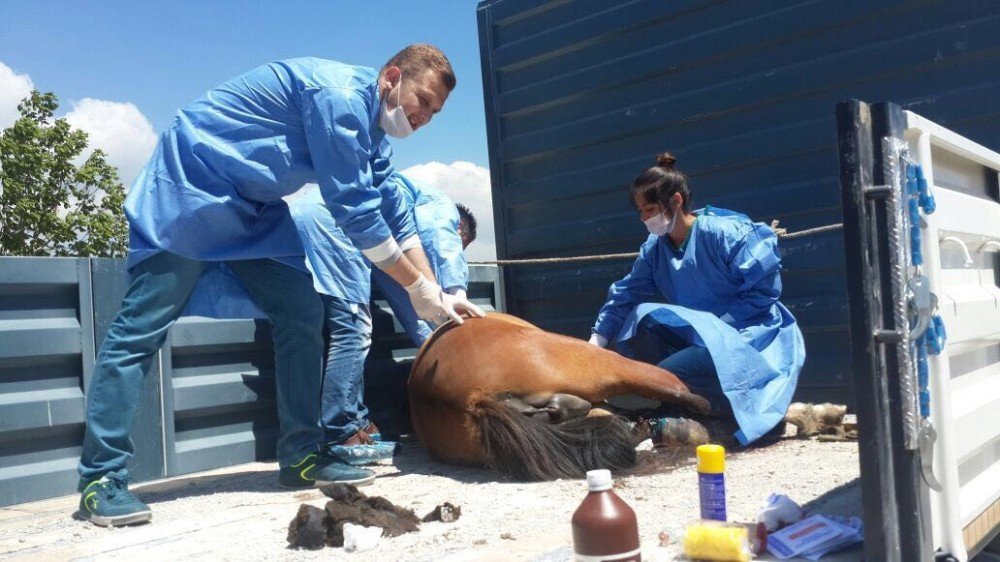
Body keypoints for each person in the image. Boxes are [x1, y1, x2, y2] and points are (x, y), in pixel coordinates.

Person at [76, 45, 484, 528]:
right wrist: (415, 287)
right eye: (423, 100)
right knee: (139, 327)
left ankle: (299, 458)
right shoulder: (339, 98)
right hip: (197, 187)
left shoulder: (373, 134)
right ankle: (100, 479)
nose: (425, 116)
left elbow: (394, 209)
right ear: (392, 77)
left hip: (254, 208)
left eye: (435, 112)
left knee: (300, 312)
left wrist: (441, 292)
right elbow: (354, 210)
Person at [588, 152, 805, 448]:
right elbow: (628, 292)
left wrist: (719, 326)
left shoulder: (725, 233)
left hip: (747, 335)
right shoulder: (656, 248)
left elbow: (763, 291)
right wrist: (597, 341)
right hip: (702, 335)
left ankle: (717, 412)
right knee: (639, 322)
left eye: (650, 208)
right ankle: (687, 406)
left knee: (667, 374)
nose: (644, 218)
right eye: (640, 211)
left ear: (676, 200)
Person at [288, 172, 476, 466]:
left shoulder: (394, 216)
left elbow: (404, 294)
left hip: (316, 221)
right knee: (354, 330)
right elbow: (442, 243)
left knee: (343, 329)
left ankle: (358, 423)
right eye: (460, 243)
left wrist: (434, 340)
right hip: (332, 226)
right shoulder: (439, 204)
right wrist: (456, 289)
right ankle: (342, 435)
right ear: (460, 229)